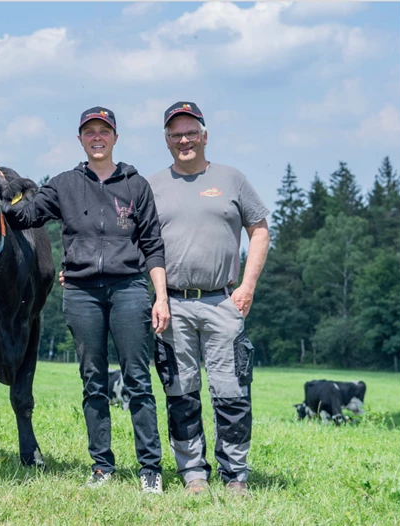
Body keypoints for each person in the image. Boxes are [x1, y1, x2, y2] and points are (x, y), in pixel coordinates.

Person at [4, 106, 169, 493]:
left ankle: (150, 469)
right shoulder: (63, 183)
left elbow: (153, 246)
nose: (97, 137)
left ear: (115, 136)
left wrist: (160, 297)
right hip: (81, 293)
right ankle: (102, 466)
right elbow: (26, 215)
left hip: (129, 290)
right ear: (80, 139)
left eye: (104, 131)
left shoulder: (136, 184)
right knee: (93, 381)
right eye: (89, 131)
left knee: (137, 380)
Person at [148, 101, 270, 497]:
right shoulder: (152, 187)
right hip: (173, 303)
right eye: (175, 134)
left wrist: (247, 286)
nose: (183, 140)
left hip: (223, 301)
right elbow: (134, 244)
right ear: (166, 140)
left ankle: (235, 474)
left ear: (204, 134)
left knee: (232, 390)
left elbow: (260, 230)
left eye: (190, 132)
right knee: (180, 391)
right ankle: (193, 473)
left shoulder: (231, 179)